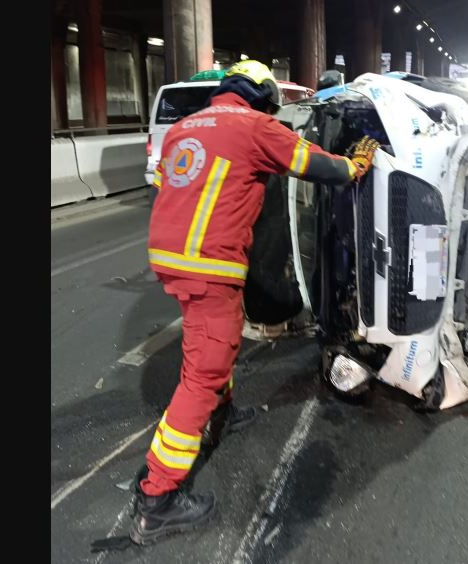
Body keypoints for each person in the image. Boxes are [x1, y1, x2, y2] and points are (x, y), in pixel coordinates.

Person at [131, 60, 379, 546]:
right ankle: (156, 498)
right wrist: (354, 166)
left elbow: (168, 184)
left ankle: (222, 415)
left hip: (172, 257)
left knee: (214, 344)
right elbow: (314, 165)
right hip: (208, 263)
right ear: (263, 96)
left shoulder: (185, 127)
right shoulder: (254, 126)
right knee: (204, 372)